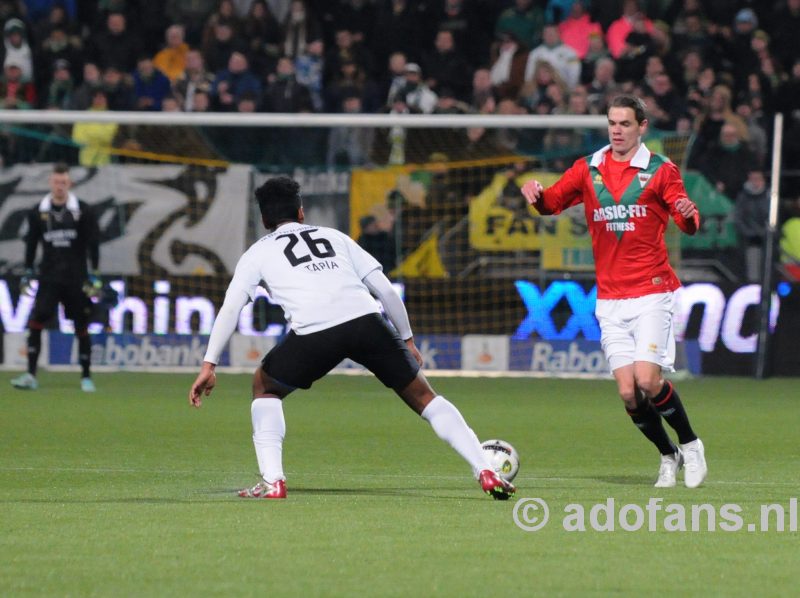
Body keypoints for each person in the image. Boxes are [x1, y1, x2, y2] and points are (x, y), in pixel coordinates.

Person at [188, 176, 515, 500]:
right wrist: (407, 340)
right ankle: (484, 469)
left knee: (265, 386)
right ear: (301, 213)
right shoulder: (334, 237)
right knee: (425, 397)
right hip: (367, 322)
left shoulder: (256, 254)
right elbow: (384, 289)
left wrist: (209, 363)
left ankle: (274, 481)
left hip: (315, 332)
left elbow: (231, 308)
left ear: (264, 220)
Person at [521, 95, 707, 488]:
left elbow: (683, 217)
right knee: (627, 391)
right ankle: (667, 455)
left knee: (648, 380)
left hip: (653, 291)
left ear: (642, 127)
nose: (617, 130)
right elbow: (552, 203)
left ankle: (691, 445)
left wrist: (690, 217)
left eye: (625, 123)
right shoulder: (589, 168)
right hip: (609, 298)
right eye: (612, 123)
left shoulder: (661, 170)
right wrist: (536, 196)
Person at [12, 163, 101, 393]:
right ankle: (31, 375)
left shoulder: (82, 210)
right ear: (51, 183)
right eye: (56, 182)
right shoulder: (37, 211)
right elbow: (31, 243)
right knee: (37, 320)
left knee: (81, 324)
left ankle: (86, 377)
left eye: (64, 182)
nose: (60, 186)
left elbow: (93, 244)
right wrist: (29, 270)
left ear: (69, 183)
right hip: (49, 277)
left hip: (76, 277)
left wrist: (96, 273)